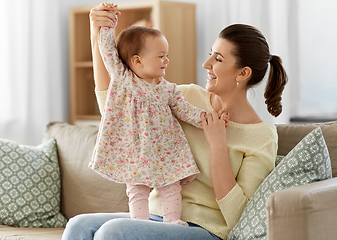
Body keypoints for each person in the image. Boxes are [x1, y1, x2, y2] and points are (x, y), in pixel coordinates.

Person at [62, 2, 288, 240]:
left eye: (218, 59)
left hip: (205, 230)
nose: (206, 64)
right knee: (79, 225)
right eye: (210, 53)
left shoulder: (261, 136)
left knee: (112, 232)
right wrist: (96, 32)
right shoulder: (186, 95)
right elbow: (115, 106)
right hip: (153, 217)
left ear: (243, 73)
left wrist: (219, 145)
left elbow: (240, 217)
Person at [88, 2, 229, 227]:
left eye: (167, 55)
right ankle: (140, 225)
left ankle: (172, 222)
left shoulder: (167, 89)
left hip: (165, 149)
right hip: (135, 148)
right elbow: (107, 49)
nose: (167, 60)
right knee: (136, 189)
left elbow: (186, 111)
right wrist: (107, 24)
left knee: (172, 186)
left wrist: (210, 119)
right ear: (137, 61)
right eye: (161, 56)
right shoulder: (123, 79)